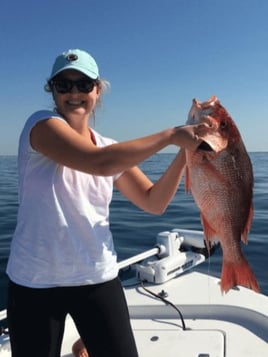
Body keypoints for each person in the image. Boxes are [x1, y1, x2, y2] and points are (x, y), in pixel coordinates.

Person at [6, 48, 208, 357]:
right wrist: (171, 135)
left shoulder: (109, 148)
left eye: (84, 85)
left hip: (96, 277)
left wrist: (185, 151)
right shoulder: (41, 125)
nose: (74, 93)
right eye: (64, 85)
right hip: (35, 282)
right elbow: (98, 163)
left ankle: (83, 341)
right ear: (53, 90)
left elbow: (153, 201)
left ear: (98, 91)